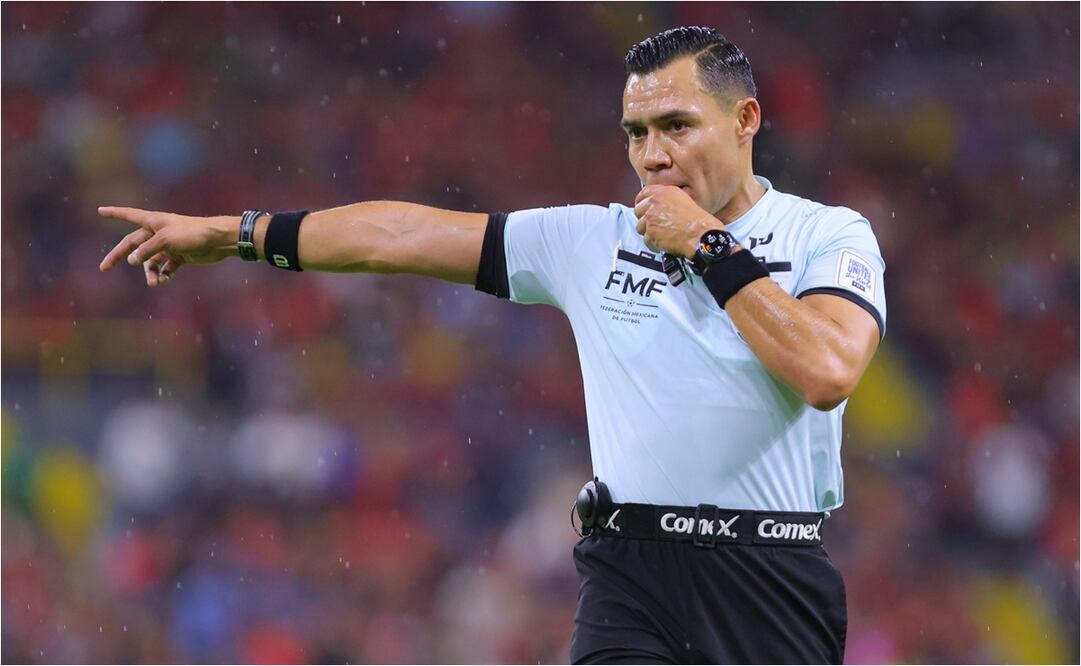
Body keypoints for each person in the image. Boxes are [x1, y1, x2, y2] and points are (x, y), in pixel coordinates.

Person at [99, 26, 885, 665]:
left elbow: (824, 370)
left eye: (677, 126)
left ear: (745, 121)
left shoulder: (827, 235)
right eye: (636, 132)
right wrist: (236, 235)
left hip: (773, 580)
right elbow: (400, 235)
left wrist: (709, 246)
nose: (652, 155)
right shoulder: (592, 240)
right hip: (632, 576)